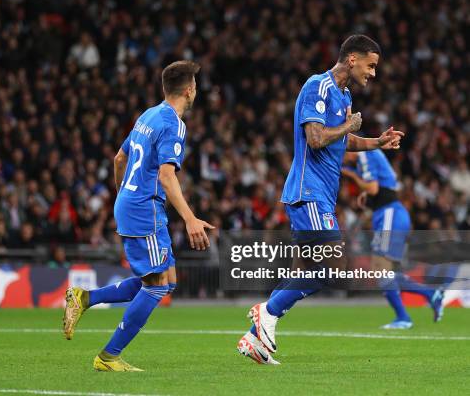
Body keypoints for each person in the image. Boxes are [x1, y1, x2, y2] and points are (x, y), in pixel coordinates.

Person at [243, 35, 404, 364]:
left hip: (321, 198)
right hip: (308, 193)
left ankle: (256, 338)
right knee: (334, 268)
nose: (373, 73)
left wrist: (377, 142)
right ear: (351, 60)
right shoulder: (318, 86)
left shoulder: (343, 95)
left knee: (303, 270)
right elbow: (315, 139)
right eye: (370, 65)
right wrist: (346, 125)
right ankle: (266, 311)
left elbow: (342, 143)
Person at [63, 60, 215, 371]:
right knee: (157, 285)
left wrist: (123, 197)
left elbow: (120, 158)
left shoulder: (147, 116)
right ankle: (108, 356)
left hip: (134, 204)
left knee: (165, 281)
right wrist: (189, 218)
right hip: (145, 208)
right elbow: (167, 176)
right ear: (189, 90)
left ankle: (85, 298)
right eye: (195, 85)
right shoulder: (173, 123)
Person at [342, 150, 444, 329]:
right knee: (385, 270)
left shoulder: (364, 154)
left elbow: (373, 187)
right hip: (389, 214)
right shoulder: (367, 157)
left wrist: (351, 174)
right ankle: (429, 294)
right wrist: (369, 198)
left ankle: (404, 316)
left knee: (380, 268)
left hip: (390, 214)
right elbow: (383, 185)